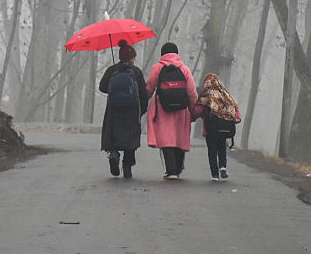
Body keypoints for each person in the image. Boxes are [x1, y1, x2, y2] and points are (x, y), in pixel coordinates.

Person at [145, 42, 198, 179]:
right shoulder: (184, 69)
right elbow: (191, 92)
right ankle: (178, 167)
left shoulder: (157, 67)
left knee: (166, 138)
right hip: (182, 109)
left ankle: (171, 170)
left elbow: (149, 87)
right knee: (179, 137)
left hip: (162, 108)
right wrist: (194, 109)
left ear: (162, 54)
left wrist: (144, 99)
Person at [98, 39, 149, 179]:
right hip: (131, 113)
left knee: (113, 135)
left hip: (114, 111)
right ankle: (127, 166)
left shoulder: (112, 70)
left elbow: (102, 87)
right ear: (131, 57)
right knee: (130, 140)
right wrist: (142, 110)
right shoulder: (136, 72)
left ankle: (114, 154)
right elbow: (143, 94)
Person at [191, 73, 241, 182]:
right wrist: (237, 118)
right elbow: (235, 107)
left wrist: (191, 117)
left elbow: (198, 111)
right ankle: (223, 166)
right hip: (225, 128)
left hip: (211, 129)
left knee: (212, 151)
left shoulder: (206, 95)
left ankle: (215, 175)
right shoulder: (225, 94)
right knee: (222, 147)